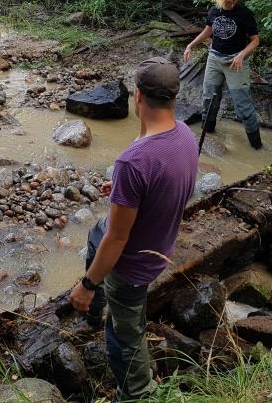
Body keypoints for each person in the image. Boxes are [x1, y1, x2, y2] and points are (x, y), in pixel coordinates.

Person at [70, 57, 199, 402]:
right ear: (173, 97)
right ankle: (94, 309)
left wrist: (86, 285)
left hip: (131, 266)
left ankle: (138, 394)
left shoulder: (133, 162)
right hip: (159, 239)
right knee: (96, 232)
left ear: (138, 97)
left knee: (123, 341)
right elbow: (162, 176)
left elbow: (119, 239)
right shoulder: (185, 134)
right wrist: (122, 193)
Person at [183, 0, 263, 149]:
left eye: (234, 1)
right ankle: (208, 137)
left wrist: (242, 55)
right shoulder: (214, 11)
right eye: (228, 2)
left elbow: (255, 40)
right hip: (214, 59)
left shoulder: (244, 13)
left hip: (236, 63)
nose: (231, 5)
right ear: (220, 0)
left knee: (243, 107)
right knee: (209, 100)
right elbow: (207, 31)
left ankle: (257, 147)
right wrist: (191, 45)